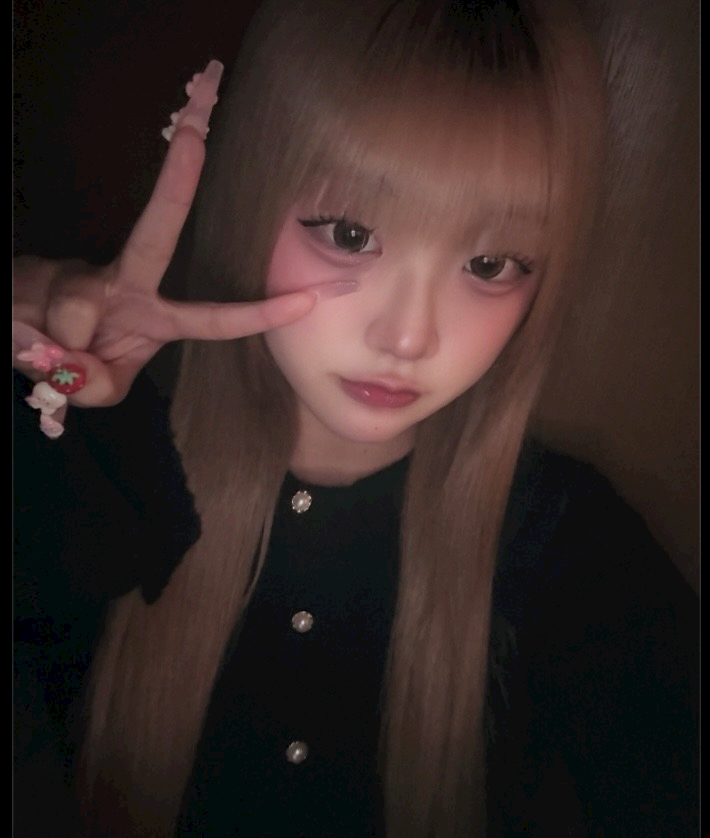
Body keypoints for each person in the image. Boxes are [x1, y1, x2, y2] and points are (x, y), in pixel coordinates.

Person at [13, 0, 698, 836]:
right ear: (251, 192)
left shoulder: (568, 548)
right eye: (348, 232)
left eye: (490, 264)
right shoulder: (94, 465)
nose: (408, 337)